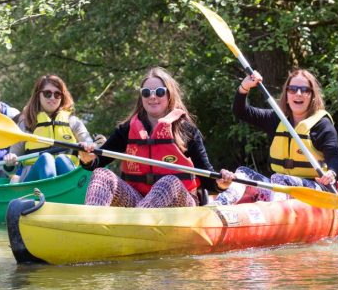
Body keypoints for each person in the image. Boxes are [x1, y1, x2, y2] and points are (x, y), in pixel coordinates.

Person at [78, 67, 234, 208]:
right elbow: (97, 162)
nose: (152, 97)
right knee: (102, 175)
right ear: (141, 97)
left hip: (181, 205)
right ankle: (92, 224)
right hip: (139, 201)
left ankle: (137, 226)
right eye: (146, 92)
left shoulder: (186, 131)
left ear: (169, 94)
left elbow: (208, 180)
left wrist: (221, 183)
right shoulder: (126, 130)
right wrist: (87, 158)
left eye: (159, 92)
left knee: (168, 182)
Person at [215, 68, 338, 205]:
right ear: (287, 95)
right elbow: (241, 111)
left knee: (280, 179)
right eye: (292, 89)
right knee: (243, 173)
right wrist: (244, 87)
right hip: (281, 191)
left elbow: (334, 156)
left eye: (304, 90)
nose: (298, 94)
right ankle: (218, 207)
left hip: (316, 191)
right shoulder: (276, 119)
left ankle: (276, 215)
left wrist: (331, 173)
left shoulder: (322, 124)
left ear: (312, 96)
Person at [2, 74, 92, 183]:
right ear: (38, 95)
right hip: (33, 180)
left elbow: (88, 142)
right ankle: (49, 193)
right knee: (46, 158)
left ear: (62, 97)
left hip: (66, 173)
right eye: (47, 94)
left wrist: (89, 145)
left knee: (62, 159)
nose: (52, 98)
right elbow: (11, 169)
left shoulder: (73, 121)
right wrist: (10, 163)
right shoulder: (26, 124)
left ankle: (69, 192)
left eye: (57, 94)